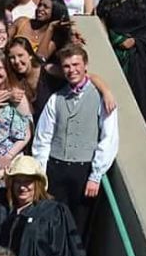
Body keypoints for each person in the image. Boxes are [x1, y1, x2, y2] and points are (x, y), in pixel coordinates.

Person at [31, 45, 118, 239]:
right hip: (55, 169)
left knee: (79, 228)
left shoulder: (101, 97)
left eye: (76, 64)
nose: (72, 70)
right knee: (52, 226)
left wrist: (95, 175)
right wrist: (42, 174)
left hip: (83, 170)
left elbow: (109, 138)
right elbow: (42, 139)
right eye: (67, 66)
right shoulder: (56, 98)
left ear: (85, 65)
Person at [96, 0, 146, 127]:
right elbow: (100, 26)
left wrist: (135, 41)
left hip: (136, 60)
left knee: (137, 96)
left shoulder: (142, 4)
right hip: (111, 56)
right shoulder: (106, 3)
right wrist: (117, 40)